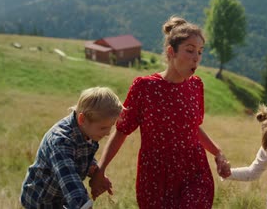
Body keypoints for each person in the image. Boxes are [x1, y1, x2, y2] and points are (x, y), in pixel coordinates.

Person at [90, 16, 231, 208]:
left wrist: (218, 153)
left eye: (200, 51)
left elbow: (193, 129)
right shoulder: (145, 87)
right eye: (189, 50)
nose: (196, 57)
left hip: (194, 171)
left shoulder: (196, 86)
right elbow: (122, 130)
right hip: (157, 177)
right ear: (171, 52)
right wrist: (101, 170)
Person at [20, 87, 123, 209]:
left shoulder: (86, 131)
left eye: (110, 127)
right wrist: (84, 205)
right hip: (40, 201)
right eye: (103, 128)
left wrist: (95, 172)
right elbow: (69, 181)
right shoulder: (61, 141)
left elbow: (80, 155)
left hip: (59, 198)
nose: (108, 133)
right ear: (82, 119)